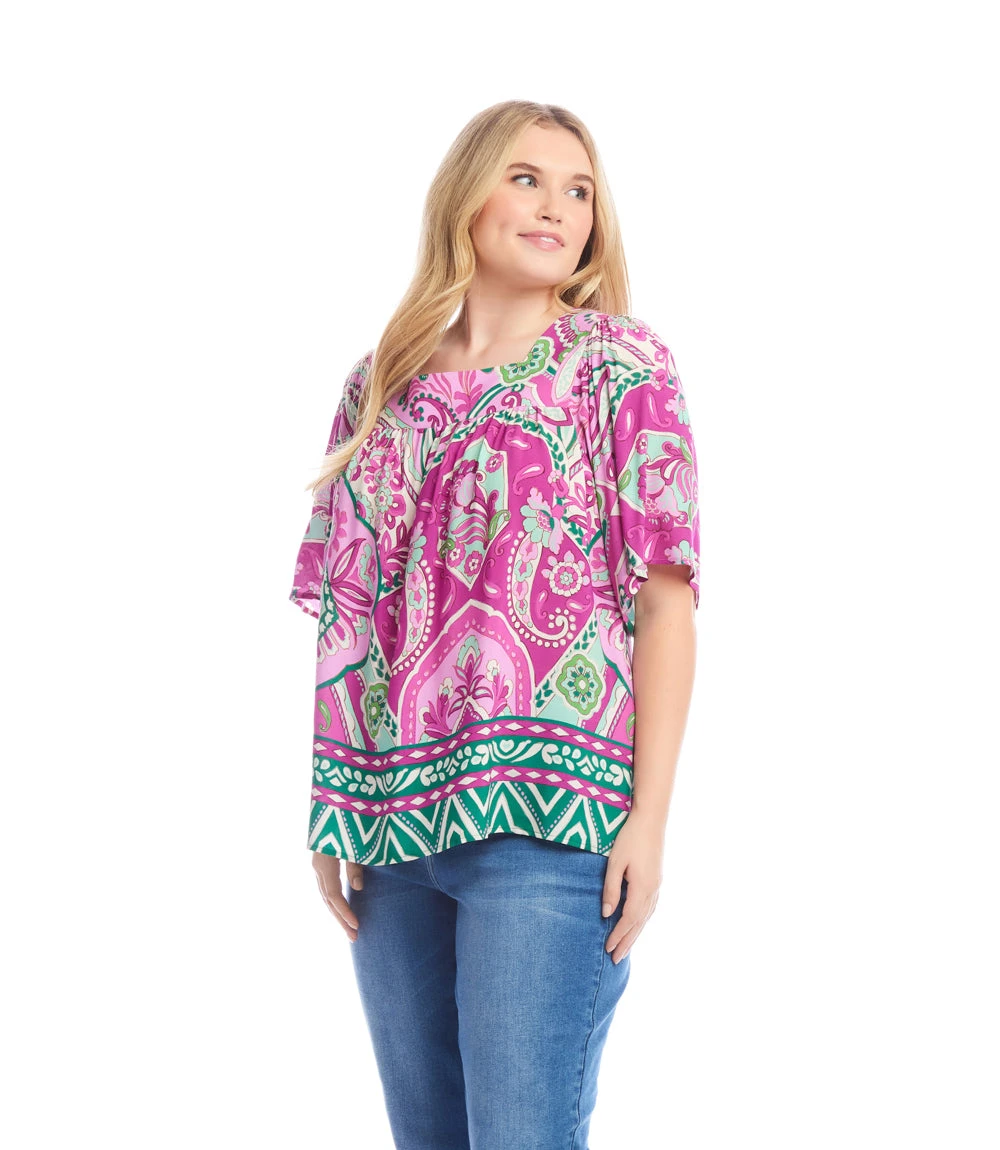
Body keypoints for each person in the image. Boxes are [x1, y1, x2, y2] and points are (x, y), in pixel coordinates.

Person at [288, 100, 701, 1149]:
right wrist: (333, 805)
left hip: (550, 833)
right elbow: (348, 617)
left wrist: (647, 822)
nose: (557, 207)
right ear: (464, 196)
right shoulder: (379, 383)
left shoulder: (618, 365)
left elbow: (665, 602)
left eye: (579, 190)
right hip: (392, 832)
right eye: (526, 178)